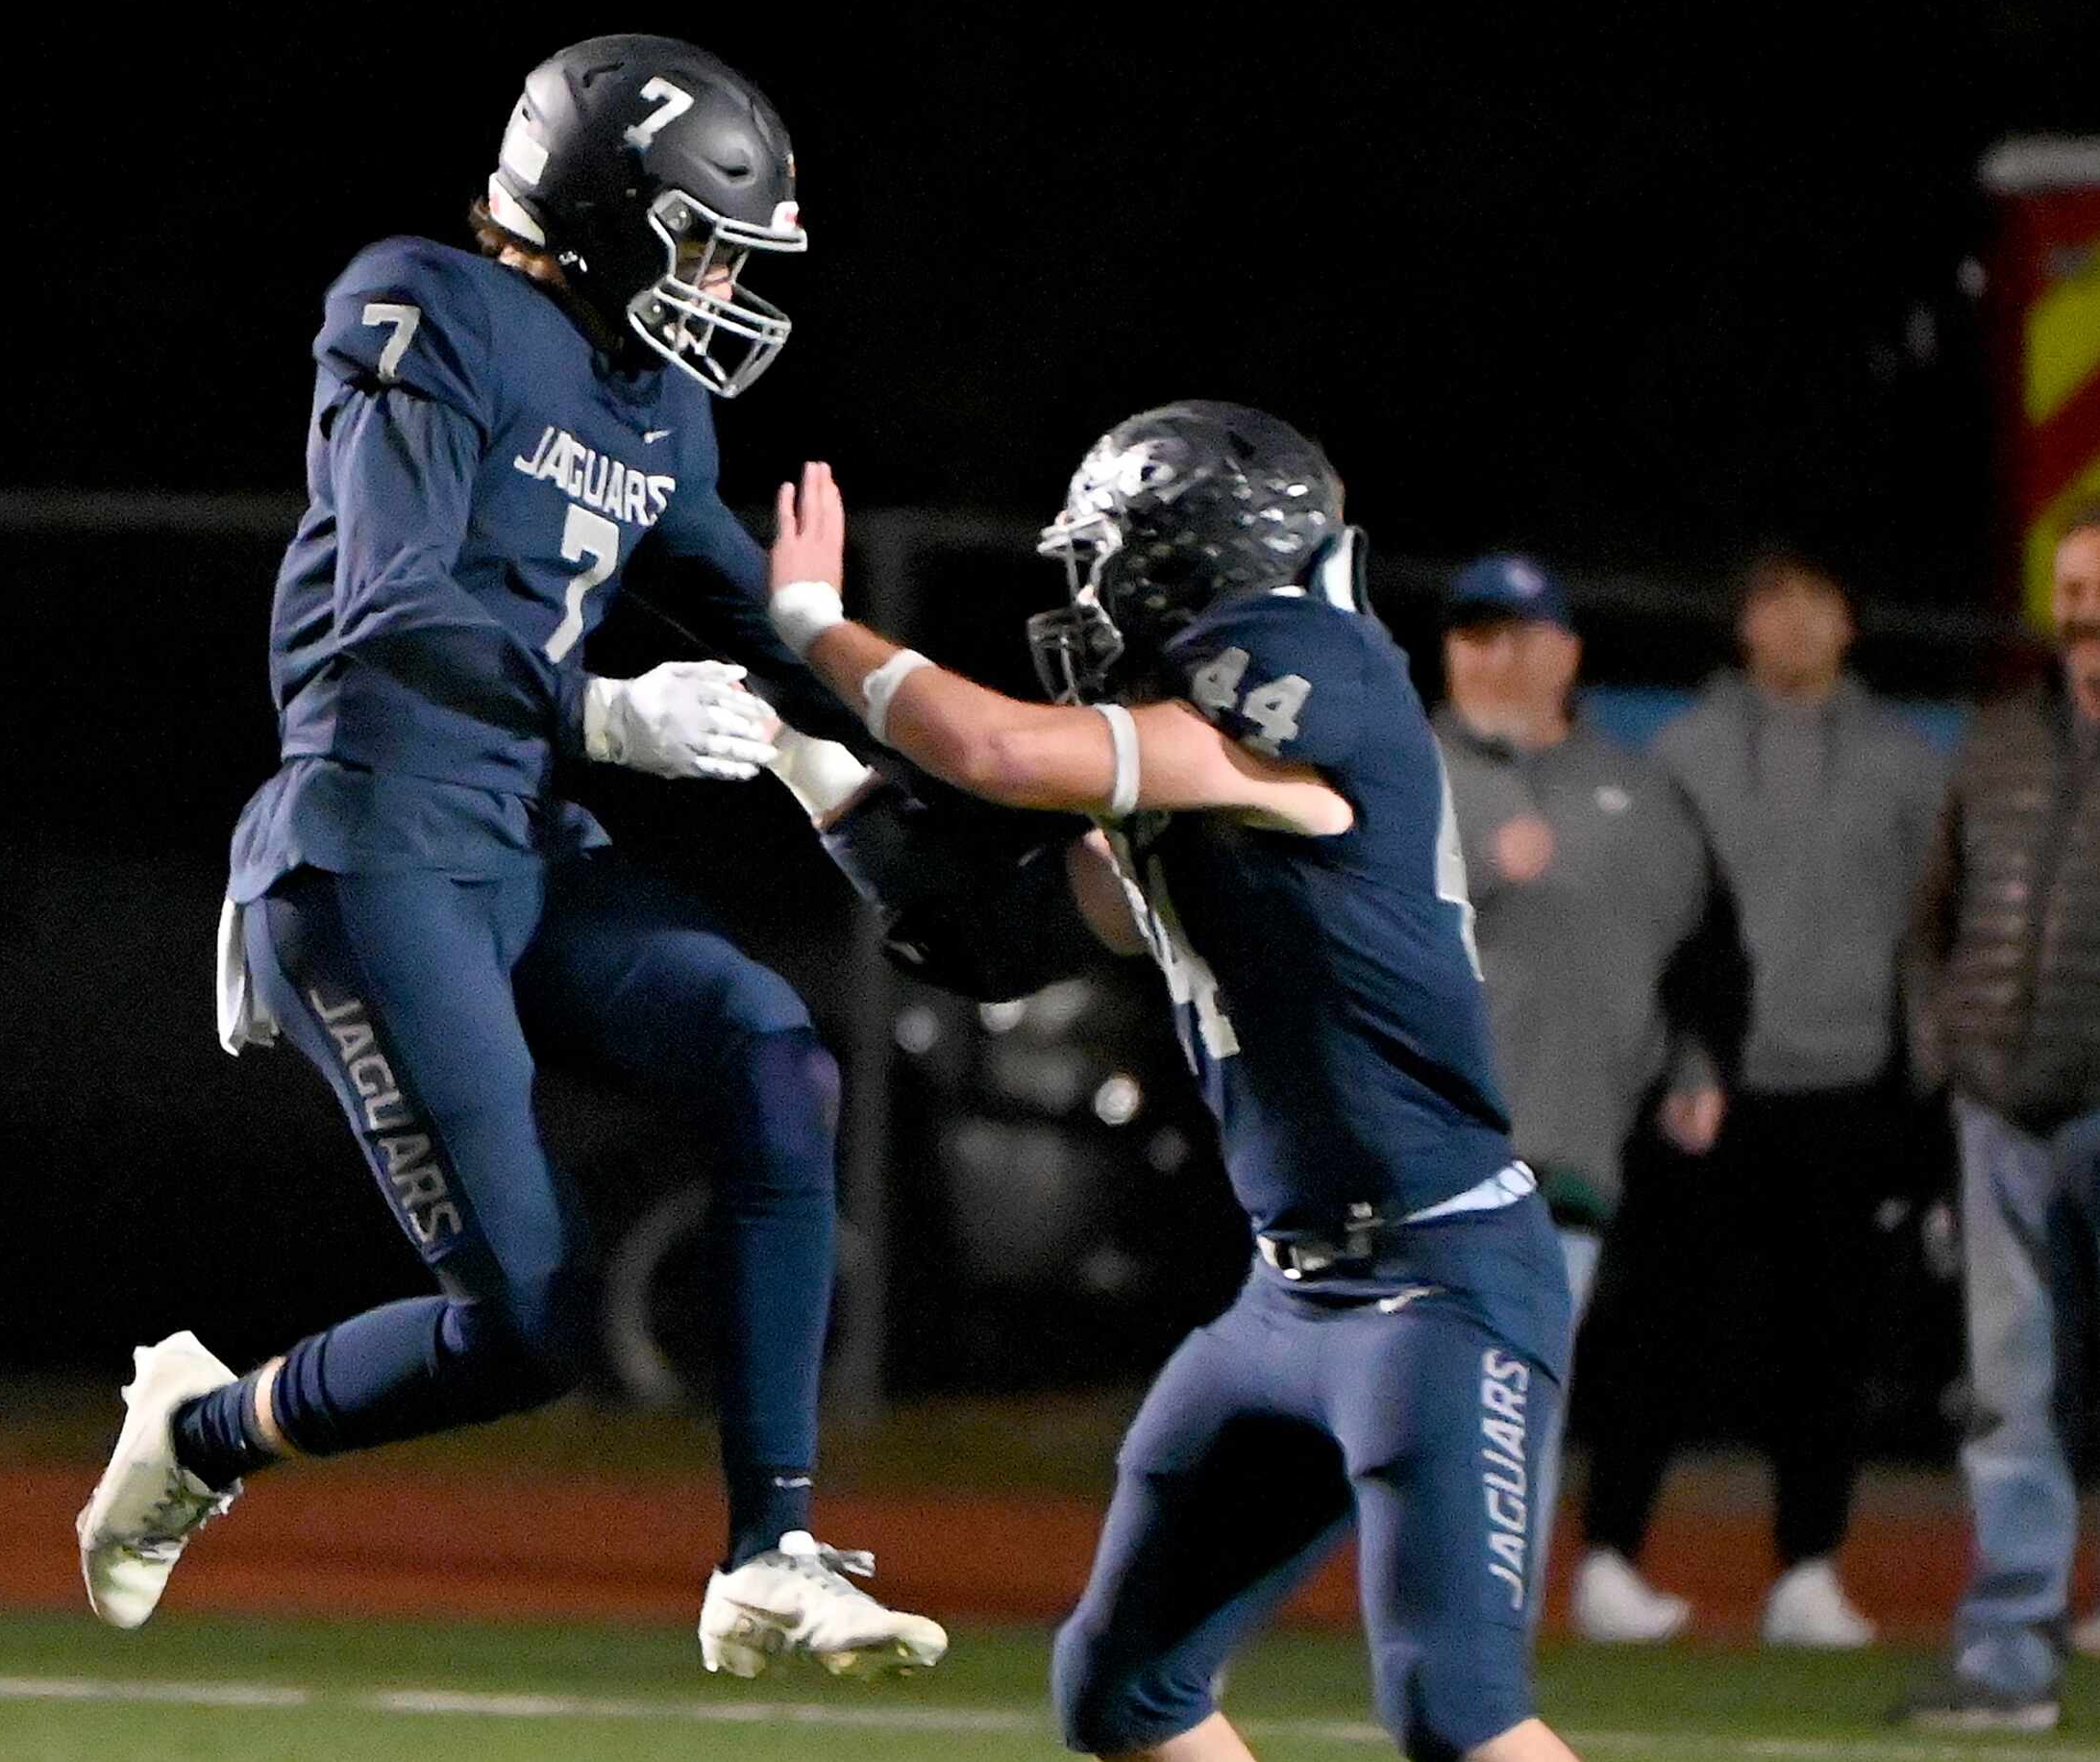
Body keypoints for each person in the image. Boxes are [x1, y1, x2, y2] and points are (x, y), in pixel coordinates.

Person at [75, 34, 946, 1682]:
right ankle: (200, 1432)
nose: (719, 284)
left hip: (525, 840)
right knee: (532, 1328)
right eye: (696, 237)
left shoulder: (652, 394)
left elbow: (736, 597)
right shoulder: (427, 303)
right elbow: (389, 602)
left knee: (773, 1052)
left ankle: (769, 1545)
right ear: (604, 210)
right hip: (378, 836)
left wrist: (880, 726)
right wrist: (605, 715)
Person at [763, 404, 1581, 1762]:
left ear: (1187, 555)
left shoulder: (1308, 679)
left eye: (1106, 555)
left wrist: (813, 622)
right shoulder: (1201, 775)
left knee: (1456, 1707)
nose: (1083, 591)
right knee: (1122, 1687)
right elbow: (991, 933)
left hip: (1441, 1282)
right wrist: (797, 755)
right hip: (1291, 1291)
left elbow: (1003, 752)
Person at [1429, 556, 1748, 1646]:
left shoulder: (1641, 793)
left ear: (1563, 651)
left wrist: (1696, 1066)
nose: (1487, 655)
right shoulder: (1398, 770)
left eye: (1511, 633)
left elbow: (1696, 955)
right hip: (1407, 1150)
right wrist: (1472, 863)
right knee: (1370, 1400)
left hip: (1570, 1148)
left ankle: (1488, 1634)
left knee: (1520, 1405)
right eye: (1471, 633)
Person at [1650, 549, 1943, 1650]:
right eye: (1774, 602)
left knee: (1826, 1348)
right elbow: (1660, 925)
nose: (1798, 624)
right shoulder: (1682, 752)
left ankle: (1807, 1569)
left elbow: (1930, 934)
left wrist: (1923, 1086)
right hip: (1708, 1092)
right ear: (1742, 626)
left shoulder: (1907, 762)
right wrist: (1677, 1060)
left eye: (1820, 601)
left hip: (1849, 1091)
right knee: (1662, 1331)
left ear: (1851, 623)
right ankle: (1612, 1562)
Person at [1891, 507, 2100, 1732]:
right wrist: (1951, 1051)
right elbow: (1933, 916)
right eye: (2072, 587)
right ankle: (2011, 1658)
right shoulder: (2004, 740)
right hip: (2002, 1118)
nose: (2082, 610)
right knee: (2010, 1397)